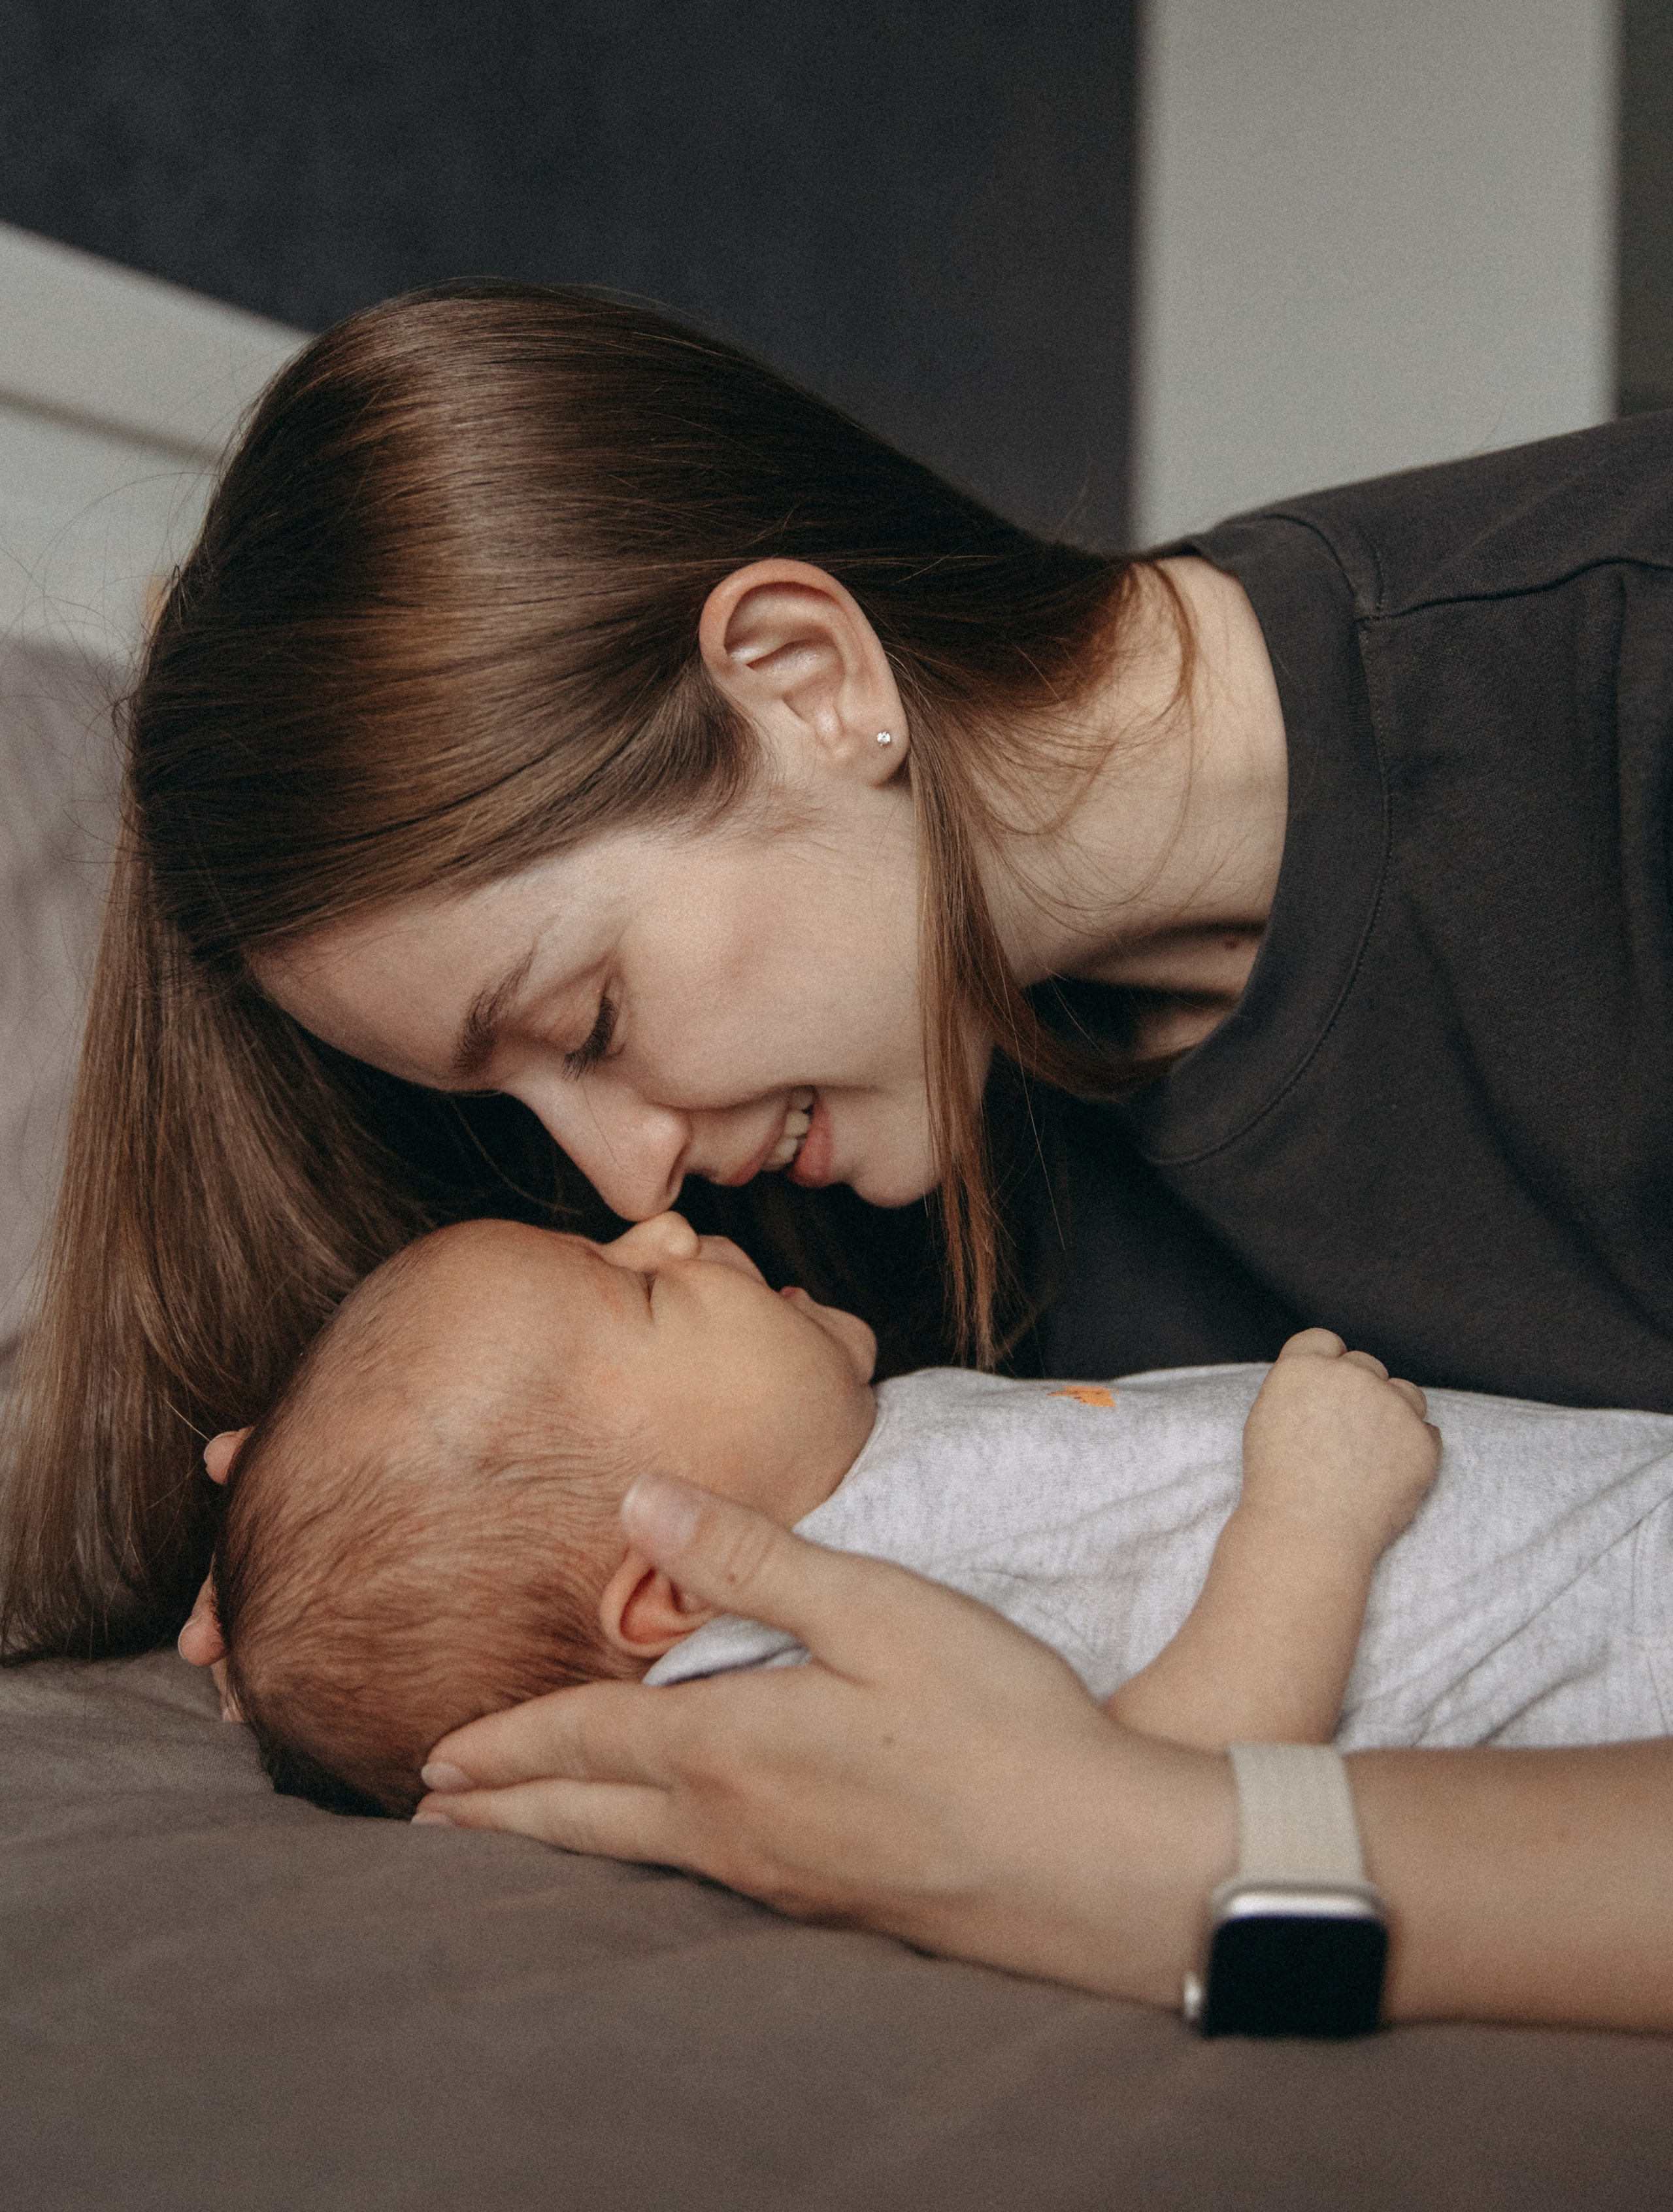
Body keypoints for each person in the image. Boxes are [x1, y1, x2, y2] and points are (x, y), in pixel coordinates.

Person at [1, 279, 1670, 2026]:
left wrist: (1163, 1856)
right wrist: (340, 1585)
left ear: (807, 680)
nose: (638, 1189)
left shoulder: (1617, 680)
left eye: (582, 1024)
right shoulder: (833, 1162)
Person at [216, 1209, 1673, 1823]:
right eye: (641, 1287)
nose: (665, 1224)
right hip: (1605, 1646)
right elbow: (1139, 1792)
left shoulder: (850, 1473)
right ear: (669, 1587)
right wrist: (1311, 1513)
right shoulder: (845, 1630)